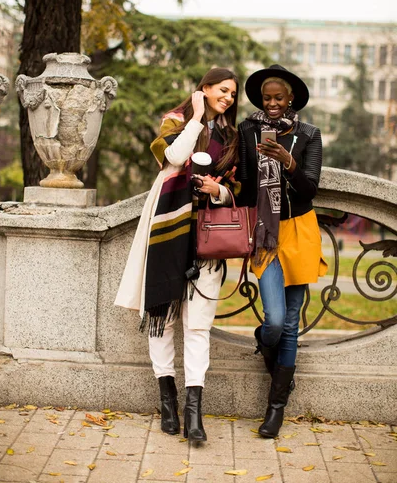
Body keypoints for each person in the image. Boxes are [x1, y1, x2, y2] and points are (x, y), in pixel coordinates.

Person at [115, 67, 239, 443]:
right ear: (203, 89)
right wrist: (197, 118)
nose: (228, 98)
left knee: (198, 325)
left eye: (233, 93)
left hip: (207, 238)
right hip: (168, 230)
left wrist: (216, 190)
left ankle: (194, 414)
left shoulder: (233, 138)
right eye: (222, 90)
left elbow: (237, 192)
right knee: (162, 320)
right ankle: (167, 402)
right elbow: (172, 156)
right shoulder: (175, 120)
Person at [237, 64, 327, 439]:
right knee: (274, 321)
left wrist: (287, 161)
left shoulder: (309, 135)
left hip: (301, 232)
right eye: (266, 98)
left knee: (290, 323)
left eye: (279, 97)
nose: (272, 103)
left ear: (290, 99)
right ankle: (263, 341)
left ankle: (276, 409)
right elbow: (243, 185)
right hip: (266, 234)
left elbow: (309, 190)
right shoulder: (248, 130)